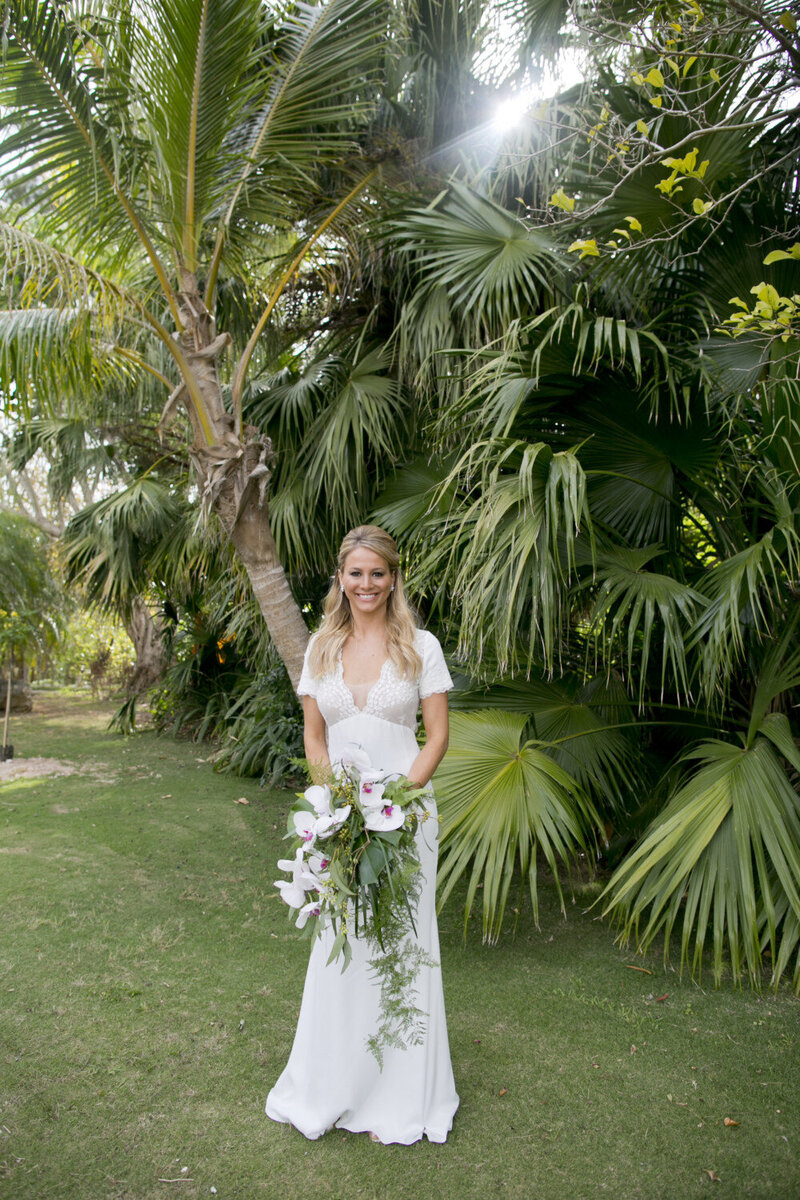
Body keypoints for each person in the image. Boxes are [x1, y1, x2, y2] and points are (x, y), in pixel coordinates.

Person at [265, 525, 459, 1145]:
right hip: (340, 819)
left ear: (393, 577)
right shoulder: (321, 645)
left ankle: (400, 1095)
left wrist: (396, 805)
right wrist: (333, 806)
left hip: (407, 817)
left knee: (403, 947)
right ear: (340, 579)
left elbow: (437, 737)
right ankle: (335, 1084)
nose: (367, 584)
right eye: (355, 573)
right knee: (340, 948)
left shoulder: (421, 646)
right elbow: (315, 737)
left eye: (378, 573)